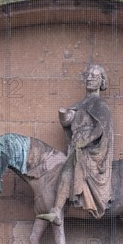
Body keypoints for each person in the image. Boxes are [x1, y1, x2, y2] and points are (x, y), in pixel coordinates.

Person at [38, 64, 113, 226]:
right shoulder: (80, 104)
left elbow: (101, 129)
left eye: (95, 76)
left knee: (67, 170)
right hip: (77, 146)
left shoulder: (100, 105)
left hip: (90, 150)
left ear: (101, 81)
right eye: (88, 75)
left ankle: (57, 210)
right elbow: (68, 121)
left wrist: (84, 142)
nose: (90, 78)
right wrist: (64, 115)